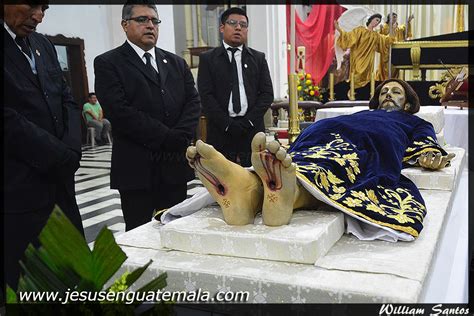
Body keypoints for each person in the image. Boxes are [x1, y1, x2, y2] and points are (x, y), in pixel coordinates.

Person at [185, 79, 455, 242]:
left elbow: (426, 144)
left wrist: (430, 156)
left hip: (368, 145)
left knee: (333, 164)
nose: (388, 94)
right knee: (303, 158)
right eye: (384, 91)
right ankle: (249, 188)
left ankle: (284, 194)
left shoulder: (411, 121)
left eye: (396, 92)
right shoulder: (358, 113)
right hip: (324, 134)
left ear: (408, 104)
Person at [94, 2, 200, 231]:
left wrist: (181, 135)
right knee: (138, 232)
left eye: (154, 20)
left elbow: (193, 102)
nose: (150, 25)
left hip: (173, 166)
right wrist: (168, 137)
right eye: (142, 20)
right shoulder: (108, 63)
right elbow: (119, 111)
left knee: (176, 230)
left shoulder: (175, 63)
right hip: (136, 167)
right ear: (125, 24)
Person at [3, 4, 84, 290]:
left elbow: (67, 100)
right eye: (31, 5)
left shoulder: (42, 44)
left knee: (72, 282)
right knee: (27, 290)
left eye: (44, 8)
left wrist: (73, 148)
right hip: (19, 192)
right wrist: (57, 153)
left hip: (60, 187)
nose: (38, 16)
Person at [197, 7, 274, 167]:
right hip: (220, 130)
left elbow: (267, 94)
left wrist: (249, 122)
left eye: (243, 25)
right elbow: (206, 95)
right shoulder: (208, 59)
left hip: (251, 131)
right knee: (222, 182)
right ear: (222, 28)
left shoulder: (258, 58)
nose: (238, 27)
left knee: (253, 181)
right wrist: (227, 123)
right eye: (232, 23)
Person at [335, 13, 395, 90]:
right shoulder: (360, 30)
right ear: (371, 19)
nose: (377, 23)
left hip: (369, 61)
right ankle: (353, 91)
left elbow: (386, 41)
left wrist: (392, 30)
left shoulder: (375, 35)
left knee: (367, 80)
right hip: (358, 58)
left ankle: (361, 92)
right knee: (357, 75)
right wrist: (339, 29)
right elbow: (348, 37)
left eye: (379, 22)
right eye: (376, 20)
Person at [376, 12, 414, 81]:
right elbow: (382, 38)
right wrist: (392, 30)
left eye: (396, 17)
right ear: (389, 18)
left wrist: (408, 22)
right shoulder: (385, 27)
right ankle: (385, 80)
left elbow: (403, 29)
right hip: (387, 51)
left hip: (396, 51)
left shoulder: (397, 28)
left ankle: (394, 80)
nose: (395, 19)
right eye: (393, 17)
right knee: (387, 68)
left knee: (395, 68)